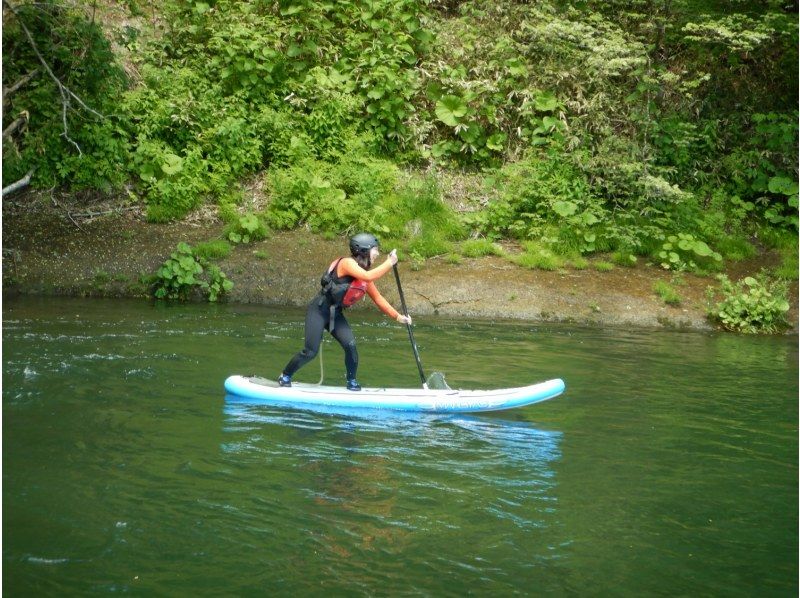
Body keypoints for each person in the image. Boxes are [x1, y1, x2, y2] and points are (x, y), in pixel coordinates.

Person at [278, 233, 412, 391]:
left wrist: (398, 317)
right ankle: (285, 375)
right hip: (319, 311)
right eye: (375, 250)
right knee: (310, 351)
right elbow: (368, 275)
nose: (377, 254)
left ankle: (352, 381)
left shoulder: (363, 277)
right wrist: (389, 262)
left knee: (351, 345)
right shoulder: (347, 263)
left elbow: (378, 298)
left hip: (336, 314)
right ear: (364, 250)